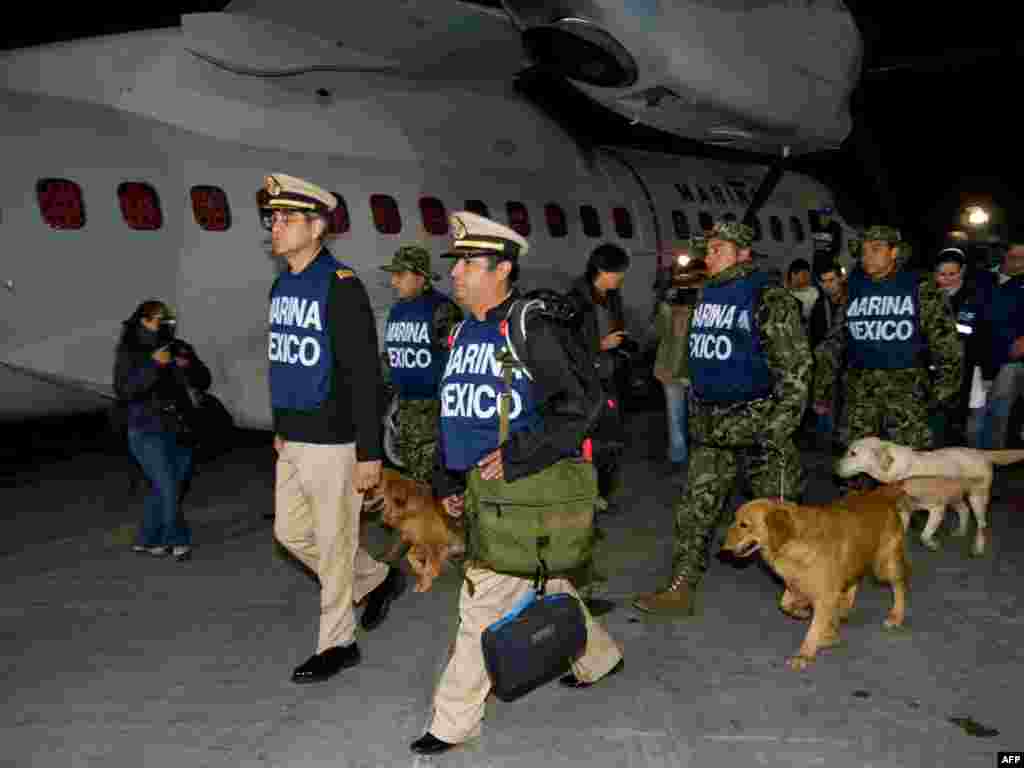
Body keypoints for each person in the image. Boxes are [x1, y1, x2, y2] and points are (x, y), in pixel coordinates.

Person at [410, 211, 623, 756]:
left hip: (519, 491)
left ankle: (454, 721)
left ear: (502, 269)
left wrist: (517, 456)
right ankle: (598, 657)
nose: (455, 273)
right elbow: (456, 414)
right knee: (543, 578)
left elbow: (580, 404)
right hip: (480, 490)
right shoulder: (461, 332)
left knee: (482, 602)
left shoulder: (531, 327)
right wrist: (447, 478)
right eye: (456, 263)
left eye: (468, 263)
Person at [261, 172, 405, 685]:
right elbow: (285, 363)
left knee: (333, 541)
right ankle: (377, 578)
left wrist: (369, 451)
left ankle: (338, 643)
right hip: (294, 436)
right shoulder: (283, 285)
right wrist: (281, 426)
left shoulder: (340, 286)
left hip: (334, 439)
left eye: (286, 218)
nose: (275, 227)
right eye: (272, 218)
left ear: (317, 227)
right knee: (290, 533)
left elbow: (363, 374)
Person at [633, 220, 811, 616]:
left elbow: (796, 367)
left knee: (780, 517)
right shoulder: (708, 293)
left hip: (759, 426)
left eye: (718, 249)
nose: (708, 256)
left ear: (743, 253)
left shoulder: (768, 297)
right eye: (708, 249)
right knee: (694, 511)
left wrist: (779, 428)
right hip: (712, 427)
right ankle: (681, 587)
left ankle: (803, 588)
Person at [813, 226, 962, 468]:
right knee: (857, 463)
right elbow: (835, 342)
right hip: (860, 393)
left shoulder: (920, 287)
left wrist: (944, 392)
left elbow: (946, 342)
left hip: (905, 392)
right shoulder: (853, 289)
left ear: (894, 252)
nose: (867, 256)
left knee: (907, 464)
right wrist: (822, 389)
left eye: (876, 249)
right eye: (863, 251)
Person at [114, 300, 211, 561]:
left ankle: (147, 539)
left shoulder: (178, 347)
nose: (165, 323)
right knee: (167, 487)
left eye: (168, 318)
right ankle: (177, 540)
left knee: (166, 488)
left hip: (180, 428)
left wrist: (188, 366)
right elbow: (125, 390)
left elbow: (204, 379)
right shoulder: (130, 351)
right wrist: (154, 364)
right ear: (143, 321)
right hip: (146, 429)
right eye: (158, 319)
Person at [379, 245, 462, 484]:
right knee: (411, 484)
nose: (393, 282)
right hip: (405, 410)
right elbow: (395, 356)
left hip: (432, 412)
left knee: (431, 484)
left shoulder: (442, 310)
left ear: (421, 277)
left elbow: (456, 362)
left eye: (400, 274)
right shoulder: (397, 311)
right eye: (393, 275)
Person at [567, 243, 631, 510]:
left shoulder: (612, 299)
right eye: (619, 272)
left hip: (608, 375)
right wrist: (600, 345)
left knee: (610, 439)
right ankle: (585, 493)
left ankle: (600, 491)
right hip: (586, 381)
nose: (621, 278)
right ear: (603, 270)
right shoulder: (575, 301)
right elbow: (566, 345)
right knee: (587, 441)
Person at [652, 238, 707, 485]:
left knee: (681, 419)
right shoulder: (698, 303)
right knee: (690, 420)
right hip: (684, 369)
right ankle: (688, 462)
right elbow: (660, 331)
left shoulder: (681, 302)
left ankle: (684, 462)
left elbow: (658, 332)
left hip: (678, 368)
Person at [932, 247, 996, 446]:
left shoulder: (976, 298)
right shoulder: (926, 296)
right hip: (931, 369)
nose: (947, 279)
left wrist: (987, 372)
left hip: (964, 369)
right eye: (942, 274)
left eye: (952, 274)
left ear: (962, 272)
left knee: (958, 421)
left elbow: (984, 337)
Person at [973, 242, 1024, 449]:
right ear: (1004, 255)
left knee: (999, 412)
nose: (1019, 263)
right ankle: (973, 456)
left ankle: (993, 456)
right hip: (978, 357)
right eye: (1015, 257)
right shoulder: (983, 278)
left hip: (1010, 359)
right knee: (975, 414)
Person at [807, 261, 848, 446]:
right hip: (828, 364)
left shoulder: (854, 301)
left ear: (841, 279)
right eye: (824, 282)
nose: (828, 285)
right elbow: (815, 339)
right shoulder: (819, 306)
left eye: (832, 280)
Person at [786, 258, 819, 325]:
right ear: (793, 274)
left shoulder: (814, 293)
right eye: (804, 275)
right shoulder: (782, 292)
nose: (808, 278)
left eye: (808, 274)